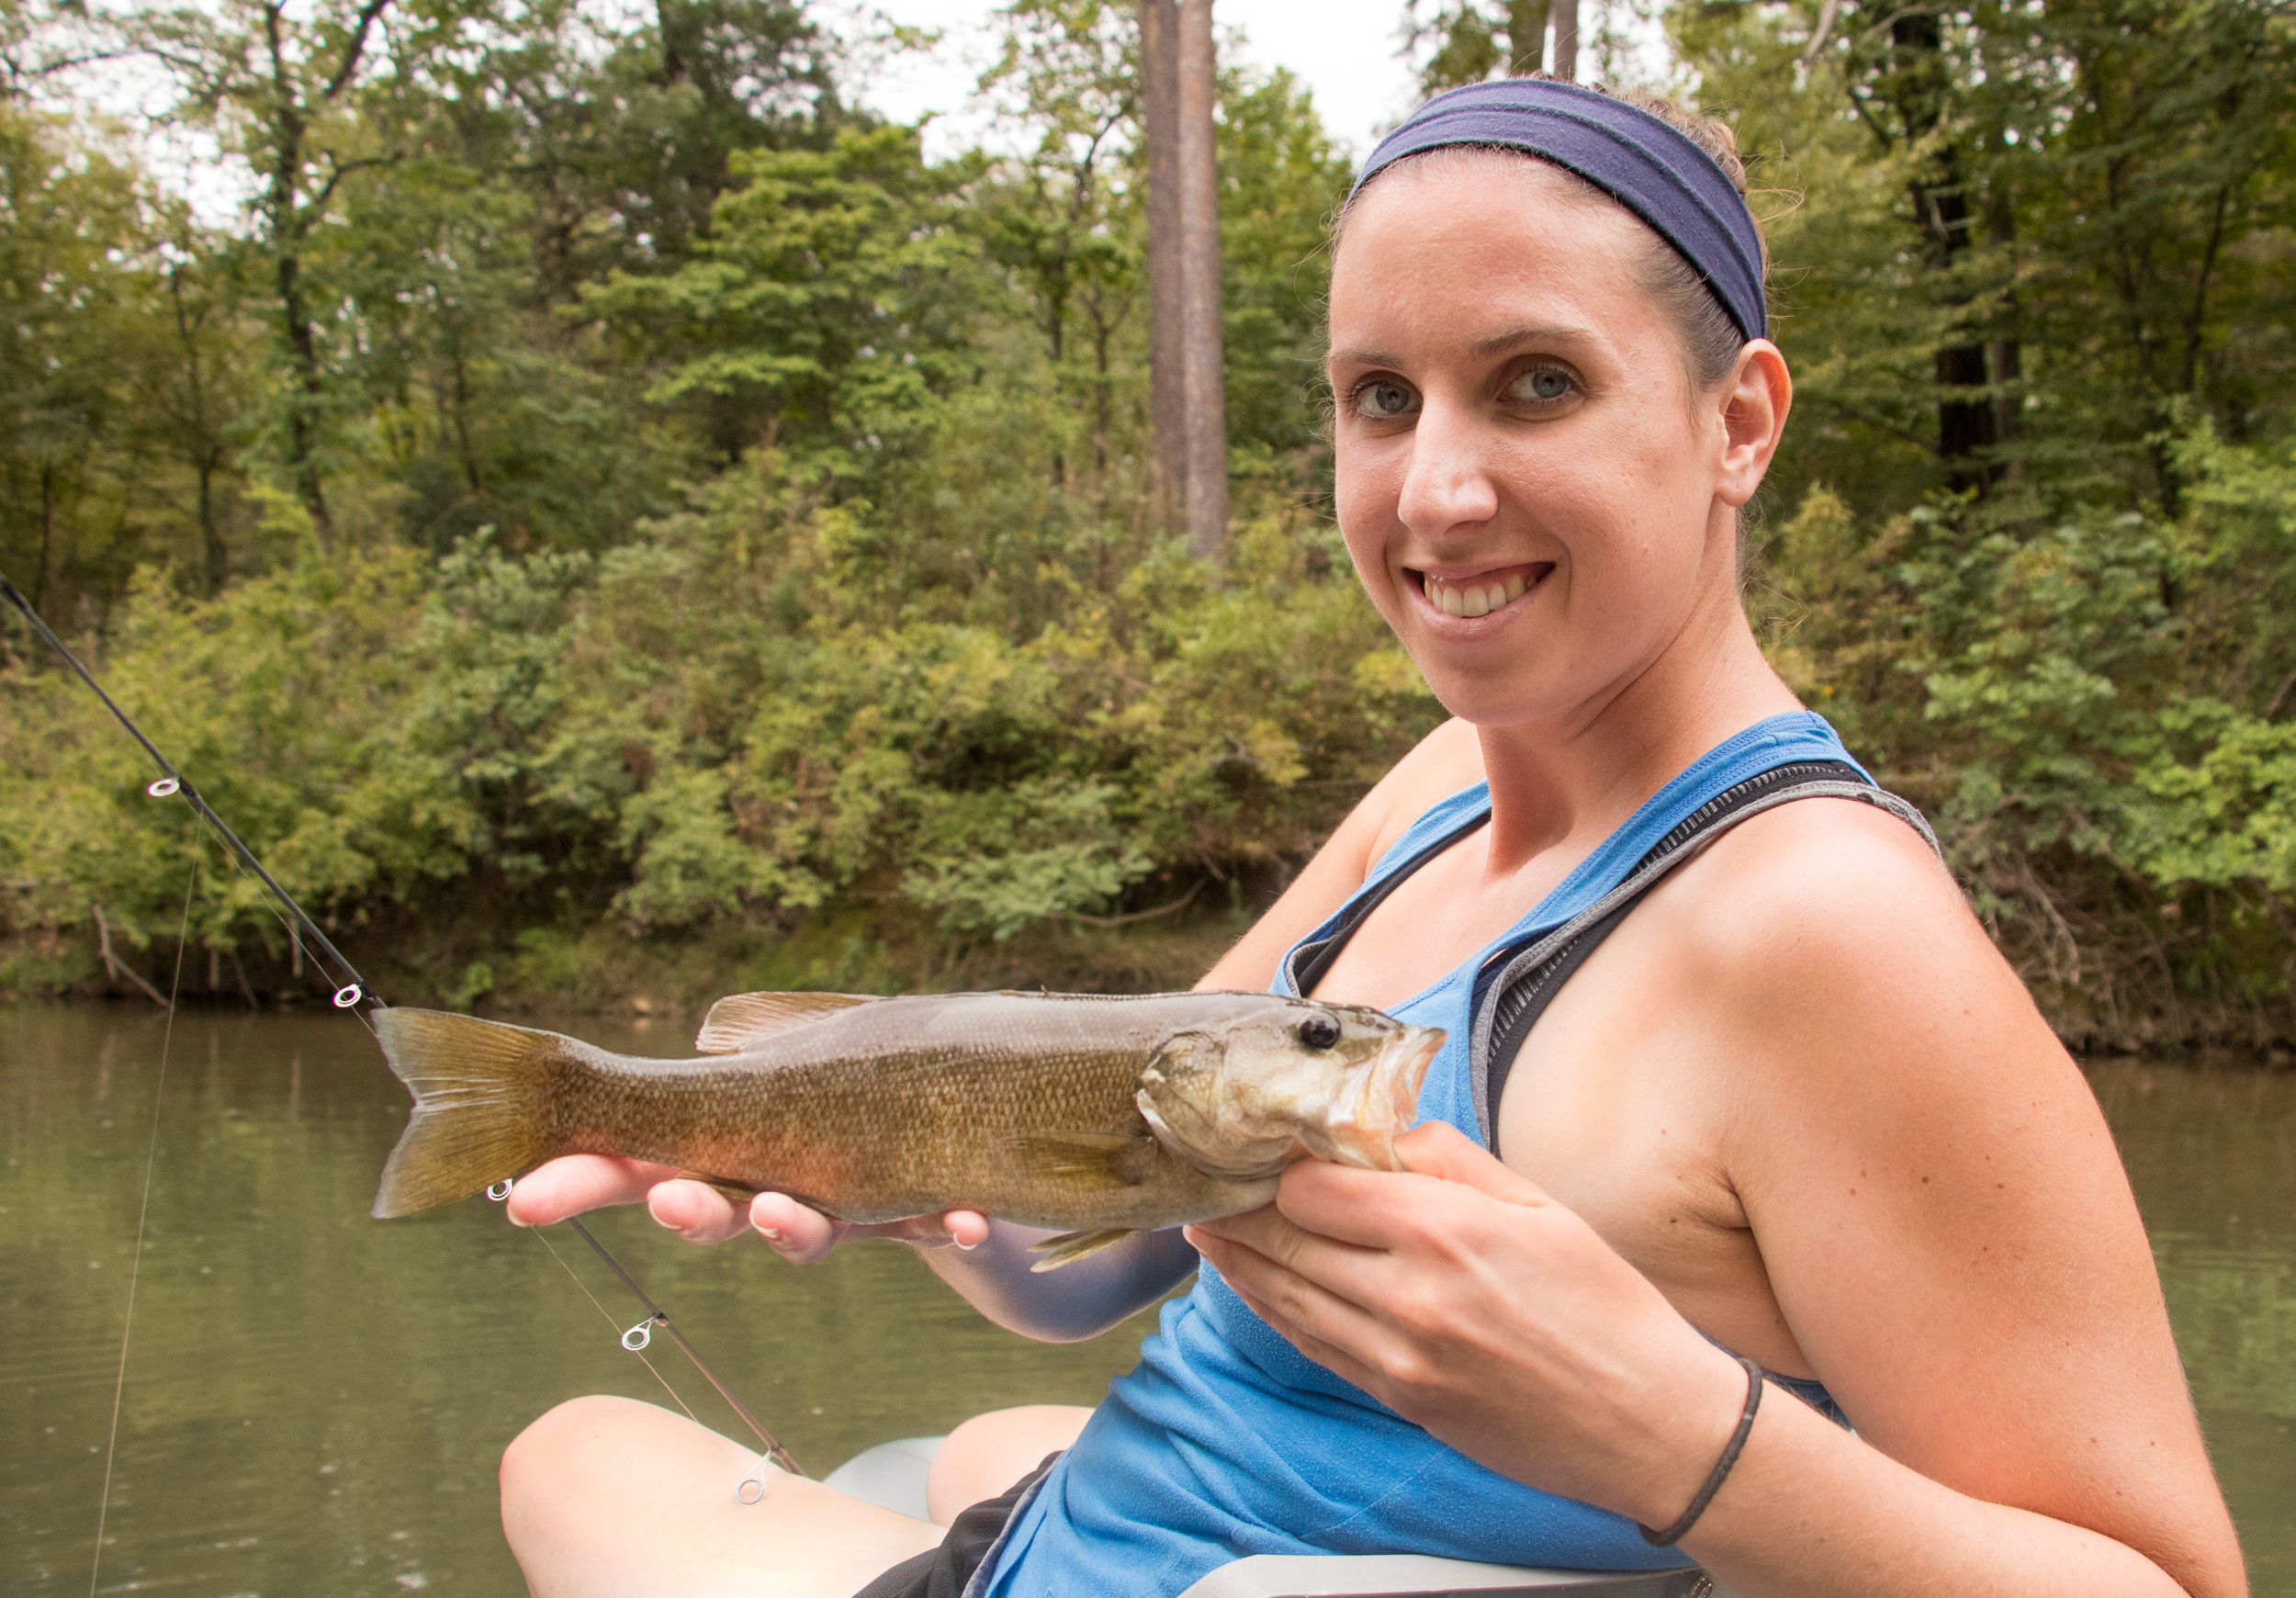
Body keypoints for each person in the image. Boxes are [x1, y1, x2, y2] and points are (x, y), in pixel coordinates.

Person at [494, 78, 2247, 1598]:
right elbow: (1090, 1266)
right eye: (1380, 398)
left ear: (1740, 423)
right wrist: (868, 1167)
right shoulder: (1438, 789)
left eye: (1537, 384)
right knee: (660, 1445)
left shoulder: (1823, 930)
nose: (1435, 491)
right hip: (1116, 1515)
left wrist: (1670, 1434)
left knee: (582, 1463)